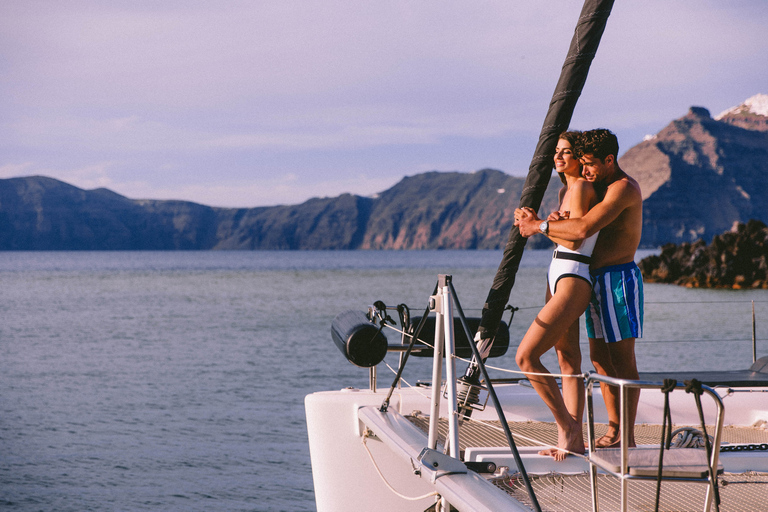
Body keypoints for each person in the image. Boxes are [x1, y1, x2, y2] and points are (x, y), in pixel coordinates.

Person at [515, 128, 644, 448]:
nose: (585, 170)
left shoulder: (622, 188)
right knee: (600, 360)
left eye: (589, 164)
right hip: (594, 277)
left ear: (609, 160)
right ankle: (613, 432)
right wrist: (552, 219)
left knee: (623, 360)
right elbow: (575, 225)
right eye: (582, 163)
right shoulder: (594, 186)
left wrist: (540, 225)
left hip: (617, 278)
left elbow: (583, 229)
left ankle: (625, 437)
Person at [513, 131, 600, 460]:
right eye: (557, 152)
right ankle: (573, 443)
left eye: (566, 152)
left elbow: (577, 240)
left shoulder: (579, 187)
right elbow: (565, 236)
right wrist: (537, 222)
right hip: (560, 271)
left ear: (579, 158)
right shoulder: (566, 190)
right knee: (568, 361)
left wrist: (536, 224)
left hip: (573, 275)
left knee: (526, 357)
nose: (559, 157)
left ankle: (567, 426)